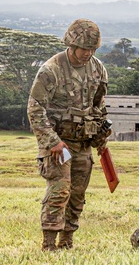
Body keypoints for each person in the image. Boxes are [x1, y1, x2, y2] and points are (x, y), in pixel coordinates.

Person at [27, 18, 111, 251]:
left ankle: (67, 241)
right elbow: (35, 109)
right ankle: (49, 244)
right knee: (60, 189)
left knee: (77, 194)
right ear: (71, 44)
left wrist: (100, 135)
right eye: (85, 48)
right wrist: (52, 142)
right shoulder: (51, 70)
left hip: (83, 141)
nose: (88, 53)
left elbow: (98, 106)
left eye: (93, 49)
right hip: (59, 144)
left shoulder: (98, 69)